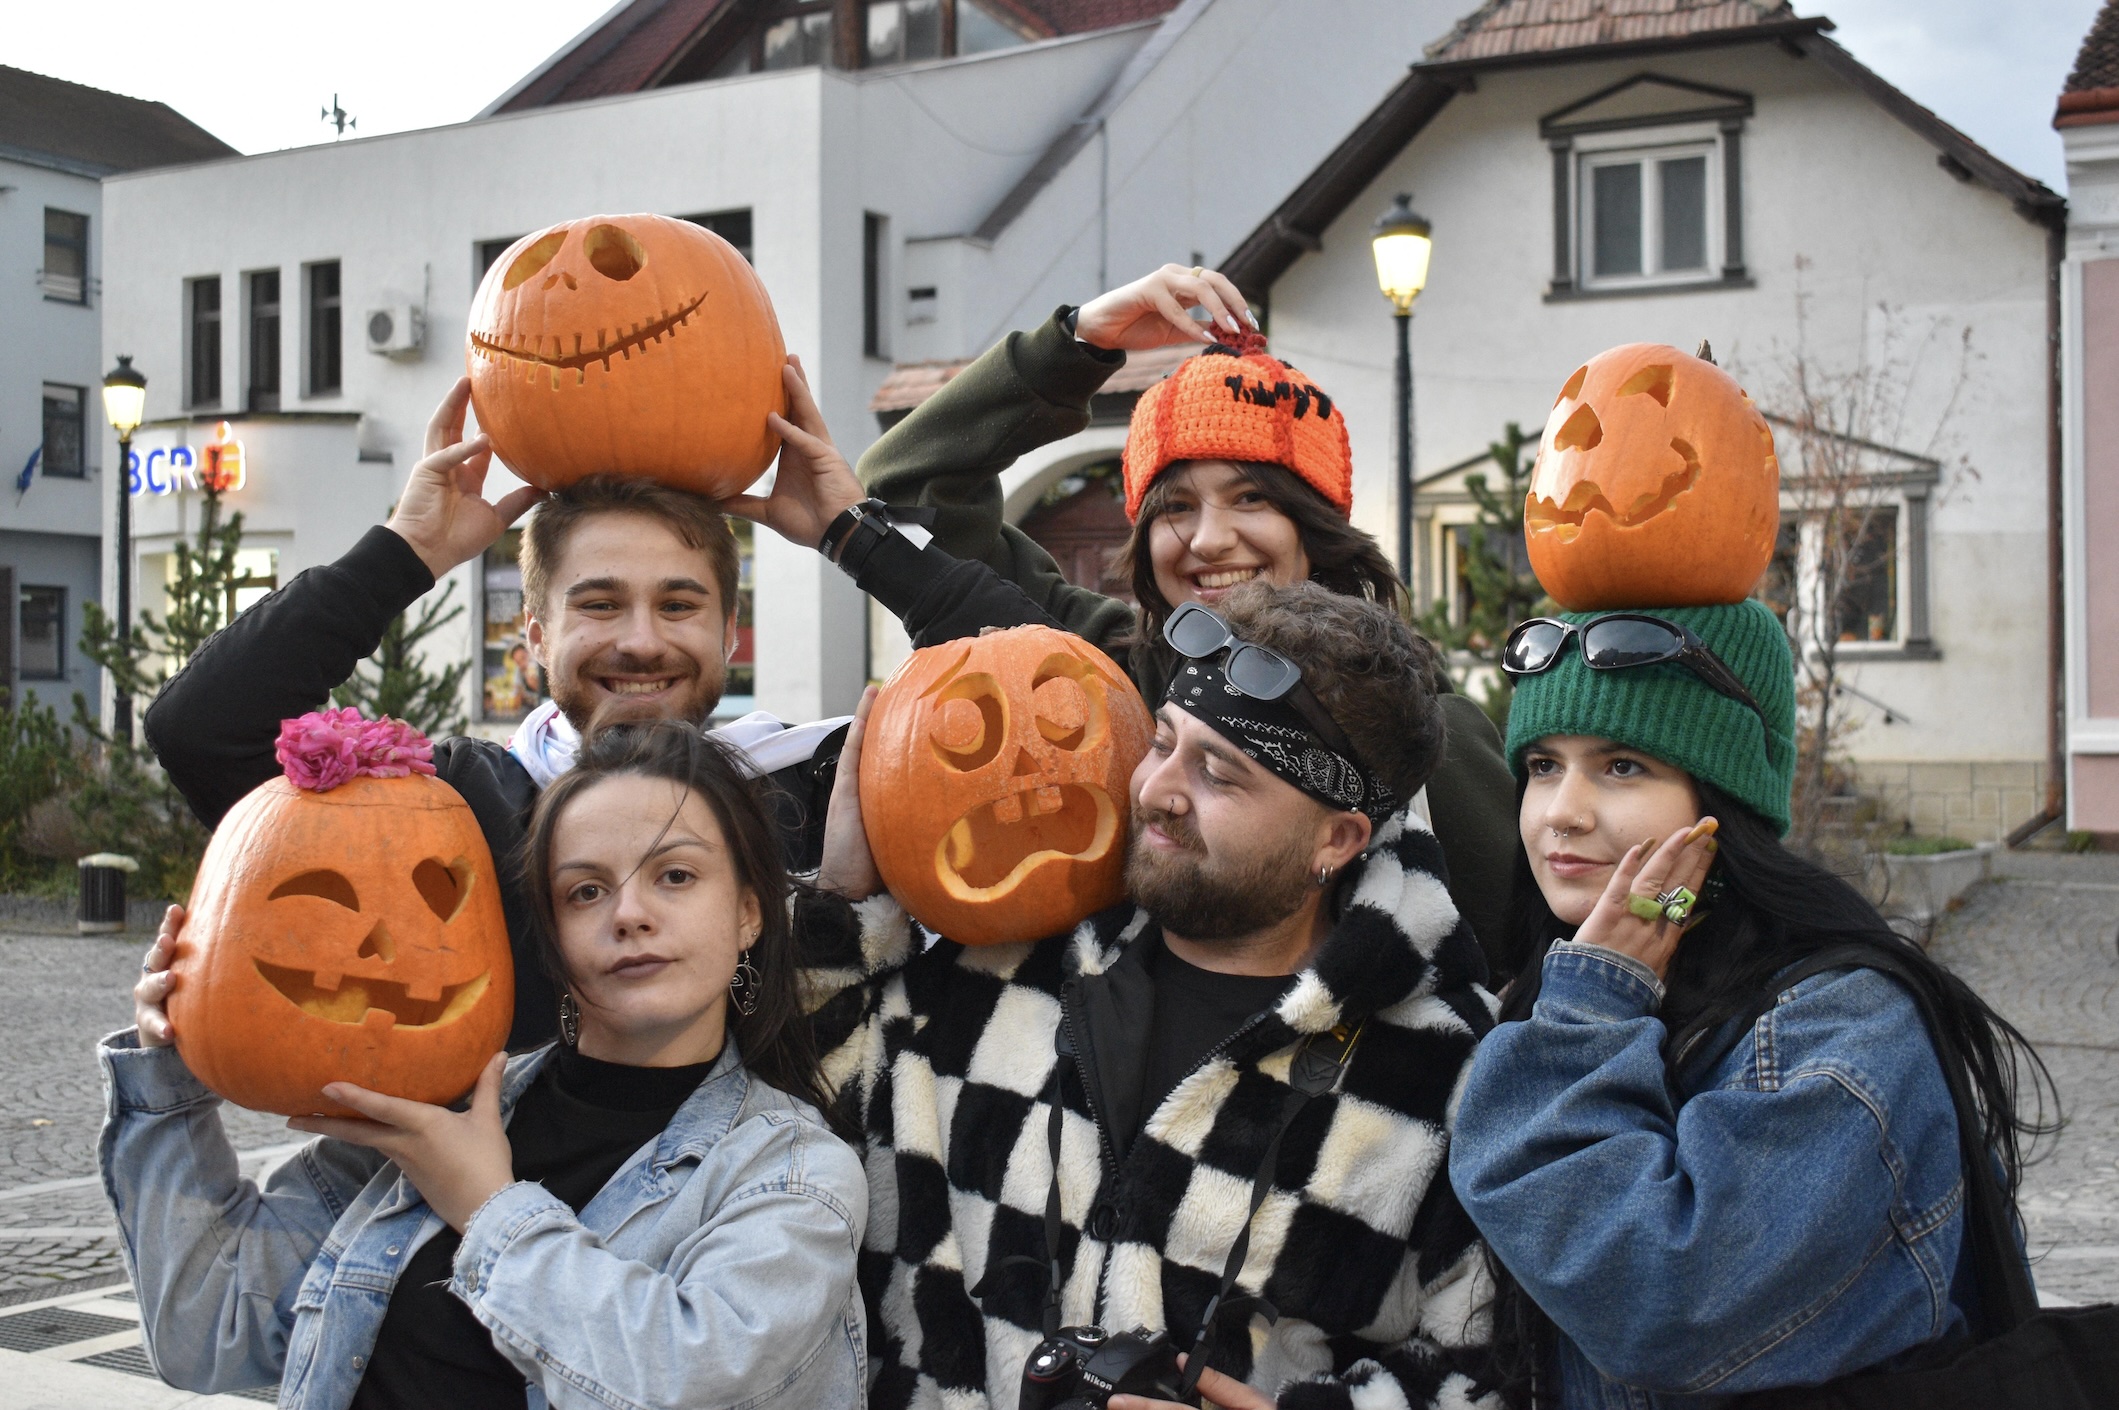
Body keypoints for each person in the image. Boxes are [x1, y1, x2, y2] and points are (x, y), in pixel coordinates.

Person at [800, 581, 1499, 1410]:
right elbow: (787, 1119)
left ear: (1335, 838)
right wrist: (837, 908)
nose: (1155, 791)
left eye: (1218, 774)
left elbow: (1481, 1365)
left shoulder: (1449, 1069)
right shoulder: (983, 981)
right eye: (1163, 742)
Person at [734, 265, 1522, 968]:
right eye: (1175, 507)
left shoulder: (1427, 739)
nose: (1211, 540)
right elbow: (910, 479)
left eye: (1252, 499)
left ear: (1317, 529)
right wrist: (1079, 342)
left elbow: (1512, 960)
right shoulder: (1087, 668)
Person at [103, 722, 867, 1410]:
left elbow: (686, 1380)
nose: (629, 914)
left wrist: (486, 1208)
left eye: (675, 875)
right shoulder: (432, 1111)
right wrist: (171, 1068)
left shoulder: (790, 1173)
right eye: (586, 890)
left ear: (746, 910)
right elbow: (208, 1330)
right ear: (550, 936)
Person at [1444, 602, 2053, 1407]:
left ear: (1723, 804)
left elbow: (1665, 1303)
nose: (1561, 811)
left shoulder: (1835, 1029)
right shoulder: (1553, 986)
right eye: (1544, 766)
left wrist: (1592, 1005)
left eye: (1622, 765)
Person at [144, 374, 851, 1046]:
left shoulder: (818, 791)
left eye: (678, 605)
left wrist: (854, 534)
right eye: (600, 604)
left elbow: (960, 729)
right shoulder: (449, 808)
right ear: (536, 636)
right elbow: (205, 728)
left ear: (728, 632)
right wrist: (406, 552)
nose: (641, 642)